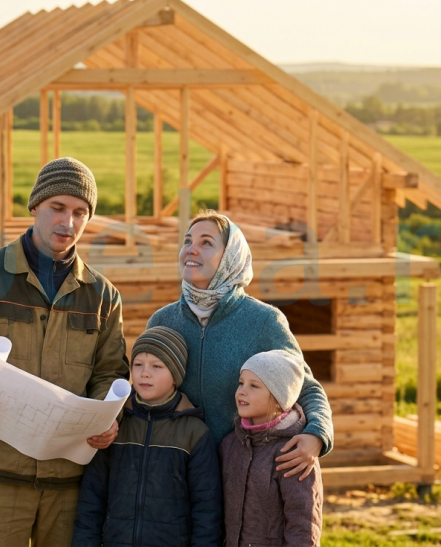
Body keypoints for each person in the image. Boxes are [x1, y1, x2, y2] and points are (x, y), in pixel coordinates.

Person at [0, 157, 129, 547]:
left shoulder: (102, 296)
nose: (67, 222)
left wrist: (107, 416)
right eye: (57, 208)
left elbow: (109, 374)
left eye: (80, 212)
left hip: (69, 484)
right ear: (35, 206)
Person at [147, 210, 334, 480]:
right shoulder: (162, 321)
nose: (191, 250)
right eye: (187, 241)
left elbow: (306, 387)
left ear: (230, 257)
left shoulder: (263, 321)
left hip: (239, 475)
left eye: (206, 243)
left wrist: (317, 435)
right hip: (175, 475)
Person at [72, 326, 223, 547]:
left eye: (157, 366)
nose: (145, 373)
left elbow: (206, 509)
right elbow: (92, 498)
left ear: (176, 375)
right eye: (138, 364)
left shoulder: (194, 433)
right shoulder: (115, 424)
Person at [221, 350, 324, 546]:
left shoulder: (294, 452)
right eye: (241, 383)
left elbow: (304, 524)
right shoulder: (230, 444)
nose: (242, 391)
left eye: (254, 386)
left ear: (278, 397)